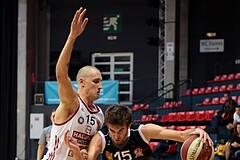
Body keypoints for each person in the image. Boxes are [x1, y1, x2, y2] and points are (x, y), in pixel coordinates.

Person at [42, 7, 104, 160]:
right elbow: (61, 74)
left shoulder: (100, 116)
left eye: (101, 82)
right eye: (96, 81)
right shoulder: (72, 102)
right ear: (81, 82)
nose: (100, 86)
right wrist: (72, 37)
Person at [64, 104, 213, 160]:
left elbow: (181, 135)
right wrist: (78, 153)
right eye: (112, 130)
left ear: (128, 125)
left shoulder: (142, 131)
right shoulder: (101, 138)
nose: (116, 136)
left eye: (120, 130)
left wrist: (197, 131)